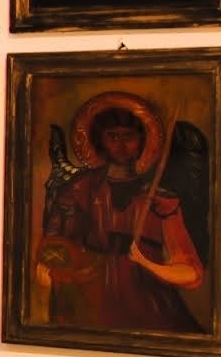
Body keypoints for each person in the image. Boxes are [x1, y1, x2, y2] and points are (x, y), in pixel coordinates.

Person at [32, 92, 209, 335]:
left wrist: (147, 264)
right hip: (89, 300)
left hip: (147, 303)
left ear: (142, 139)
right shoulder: (80, 189)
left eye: (128, 136)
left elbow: (191, 273)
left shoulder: (160, 199)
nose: (121, 144)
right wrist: (52, 264)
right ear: (99, 139)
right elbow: (55, 242)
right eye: (112, 136)